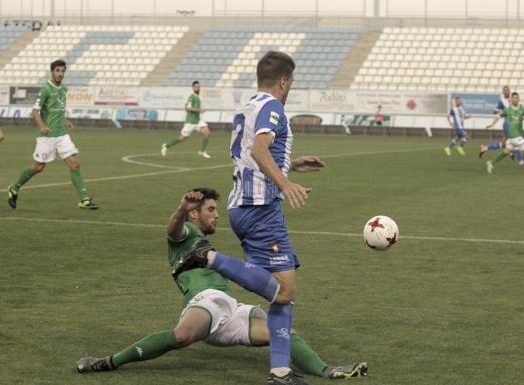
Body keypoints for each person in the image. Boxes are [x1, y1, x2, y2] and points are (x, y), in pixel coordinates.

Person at [75, 188, 368, 380]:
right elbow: (172, 230)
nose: (216, 215)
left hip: (232, 308)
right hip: (205, 301)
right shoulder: (186, 235)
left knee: (283, 332)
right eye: (211, 210)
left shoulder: (202, 241)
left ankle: (327, 370)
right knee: (181, 336)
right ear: (194, 213)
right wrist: (179, 210)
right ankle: (107, 362)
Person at [172, 51, 326, 385]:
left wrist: (290, 164)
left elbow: (250, 153)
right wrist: (285, 183)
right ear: (284, 80)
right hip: (260, 210)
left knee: (283, 293)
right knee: (284, 293)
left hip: (243, 206)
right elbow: (258, 150)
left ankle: (280, 372)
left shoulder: (247, 106)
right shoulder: (273, 107)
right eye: (291, 81)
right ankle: (209, 257)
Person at [7, 60, 98, 210]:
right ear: (52, 72)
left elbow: (58, 110)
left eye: (62, 71)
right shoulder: (46, 89)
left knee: (74, 164)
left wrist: (65, 120)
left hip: (62, 135)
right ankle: (14, 187)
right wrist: (42, 126)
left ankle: (84, 199)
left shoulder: (64, 89)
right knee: (38, 168)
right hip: (47, 135)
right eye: (57, 70)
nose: (60, 73)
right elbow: (35, 111)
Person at [485, 92, 524, 175]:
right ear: (511, 100)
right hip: (514, 135)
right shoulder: (507, 109)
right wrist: (492, 124)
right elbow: (498, 116)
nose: (515, 99)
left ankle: (491, 163)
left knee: (506, 151)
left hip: (515, 136)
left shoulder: (522, 108)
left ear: (519, 99)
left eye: (517, 98)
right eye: (513, 98)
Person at [161, 80, 211, 158]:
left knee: (207, 132)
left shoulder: (198, 97)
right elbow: (188, 108)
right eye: (196, 87)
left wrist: (199, 110)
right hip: (190, 122)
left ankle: (202, 151)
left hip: (198, 121)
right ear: (193, 88)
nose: (198, 88)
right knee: (182, 138)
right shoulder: (192, 97)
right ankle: (166, 146)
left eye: (199, 87)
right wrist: (199, 110)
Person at [479, 85, 523, 164]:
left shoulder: (513, 98)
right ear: (503, 92)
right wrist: (493, 122)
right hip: (508, 125)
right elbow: (494, 111)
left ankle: (485, 148)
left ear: (509, 91)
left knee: (503, 144)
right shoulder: (501, 101)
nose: (506, 91)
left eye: (507, 90)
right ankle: (520, 161)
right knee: (516, 141)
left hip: (514, 124)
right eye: (504, 90)